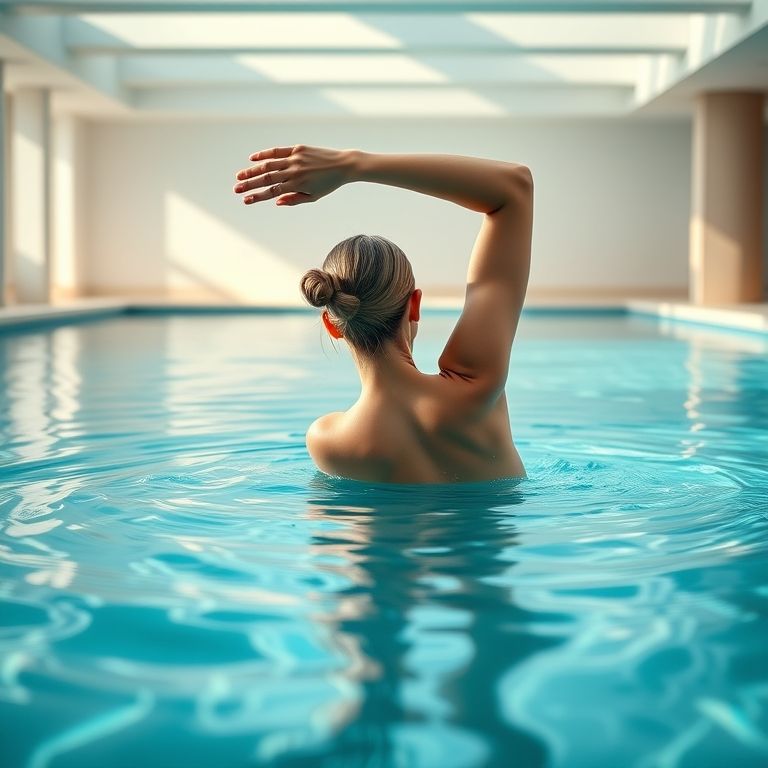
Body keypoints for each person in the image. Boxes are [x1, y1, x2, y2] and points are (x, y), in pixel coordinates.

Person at [233, 146, 534, 484]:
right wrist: (354, 166)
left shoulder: (329, 442)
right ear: (414, 305)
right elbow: (513, 186)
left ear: (332, 324)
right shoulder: (476, 386)